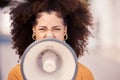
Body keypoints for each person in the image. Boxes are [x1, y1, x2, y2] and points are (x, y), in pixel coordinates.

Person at [8, 0, 94, 80]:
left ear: (65, 30)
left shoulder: (83, 75)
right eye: (42, 29)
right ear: (34, 30)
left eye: (56, 29)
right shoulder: (17, 75)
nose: (49, 35)